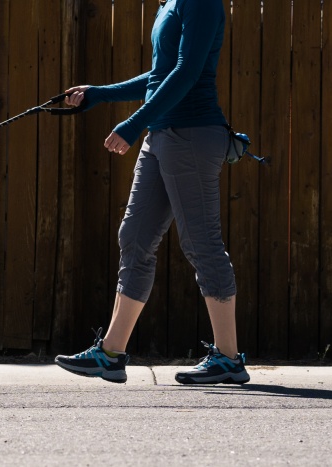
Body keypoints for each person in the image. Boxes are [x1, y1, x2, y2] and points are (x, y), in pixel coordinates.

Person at [53, 0, 250, 385]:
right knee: (135, 237)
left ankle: (228, 358)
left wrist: (132, 124)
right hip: (160, 136)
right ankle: (111, 353)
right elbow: (160, 74)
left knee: (201, 243)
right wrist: (99, 94)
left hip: (192, 134)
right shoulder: (169, 5)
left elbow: (187, 72)